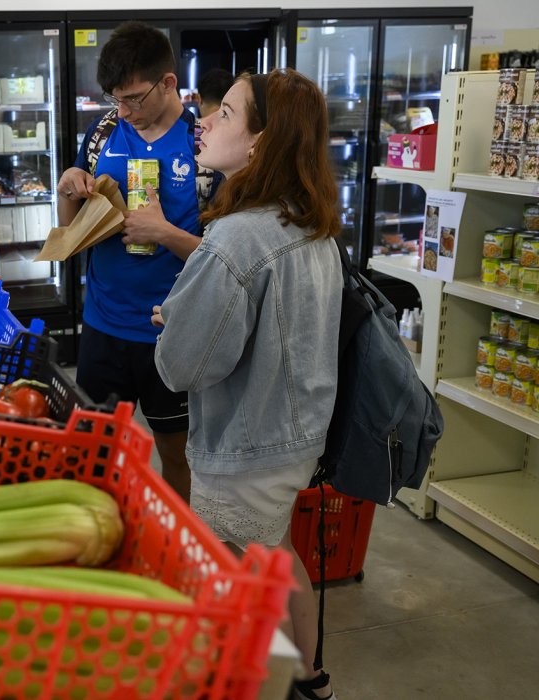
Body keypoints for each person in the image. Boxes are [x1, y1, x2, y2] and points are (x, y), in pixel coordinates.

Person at [153, 69, 342, 700]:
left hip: (242, 443)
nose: (202, 121)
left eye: (226, 114)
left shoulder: (235, 237)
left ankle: (263, 685)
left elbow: (182, 367)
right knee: (277, 553)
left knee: (237, 593)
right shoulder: (309, 225)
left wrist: (176, 322)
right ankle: (310, 680)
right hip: (296, 439)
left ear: (260, 142)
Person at [57, 21, 212, 503]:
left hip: (173, 330)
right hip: (103, 323)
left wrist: (163, 234)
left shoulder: (205, 145)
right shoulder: (105, 131)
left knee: (177, 456)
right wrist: (67, 187)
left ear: (169, 83)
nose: (124, 111)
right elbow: (71, 231)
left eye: (134, 99)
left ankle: (173, 548)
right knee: (92, 452)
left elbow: (227, 260)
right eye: (115, 100)